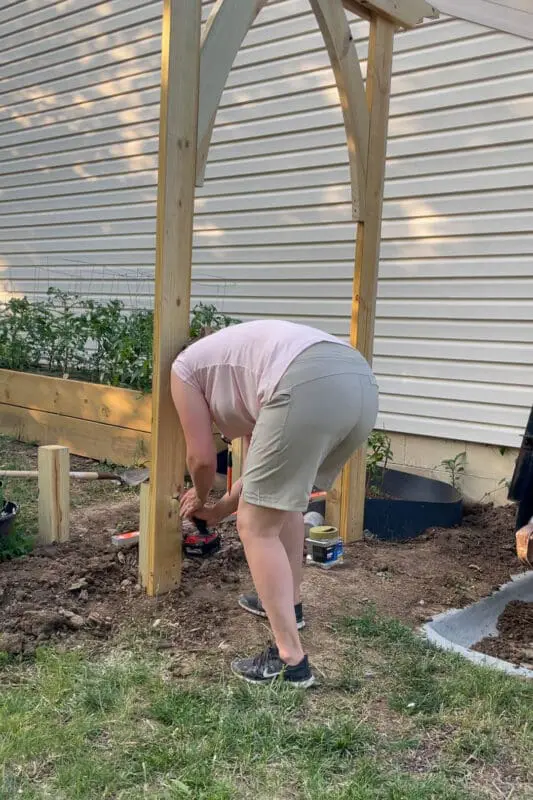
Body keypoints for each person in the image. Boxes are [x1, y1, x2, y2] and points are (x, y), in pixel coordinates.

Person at [171, 319, 378, 687]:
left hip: (309, 384)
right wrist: (219, 510)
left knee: (254, 526)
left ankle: (290, 660)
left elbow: (201, 459)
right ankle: (291, 607)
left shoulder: (184, 369)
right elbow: (260, 481)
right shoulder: (246, 367)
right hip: (359, 384)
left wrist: (200, 496)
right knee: (285, 503)